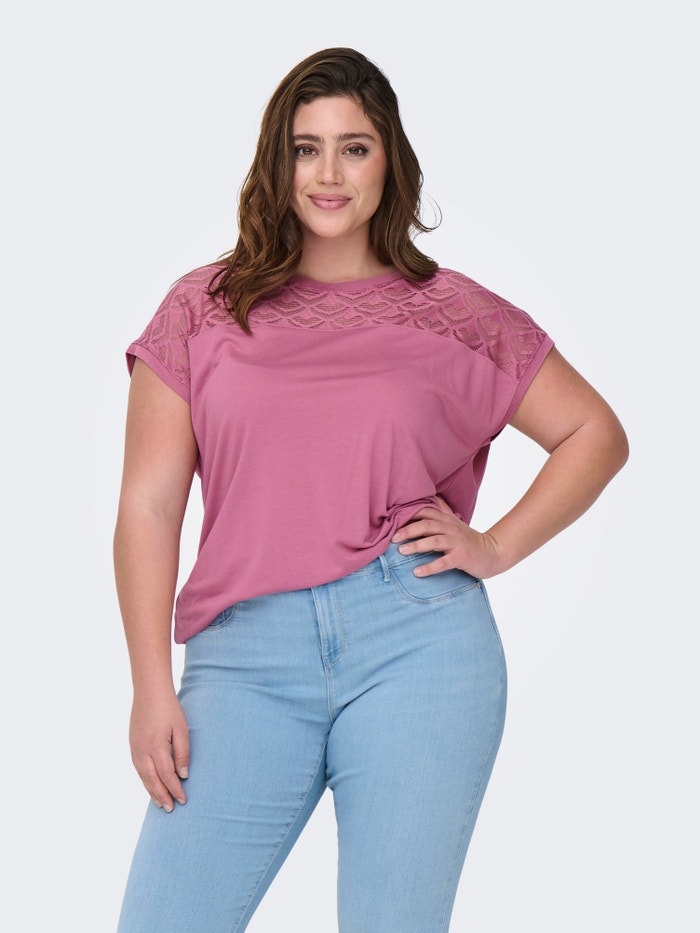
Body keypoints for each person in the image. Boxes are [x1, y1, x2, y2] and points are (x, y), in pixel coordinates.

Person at [113, 47, 628, 932]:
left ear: (390, 161)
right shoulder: (203, 308)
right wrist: (150, 685)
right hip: (243, 659)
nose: (328, 174)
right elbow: (148, 506)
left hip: (417, 645)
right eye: (305, 148)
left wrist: (494, 545)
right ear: (277, 162)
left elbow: (595, 434)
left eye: (354, 148)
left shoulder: (453, 312)